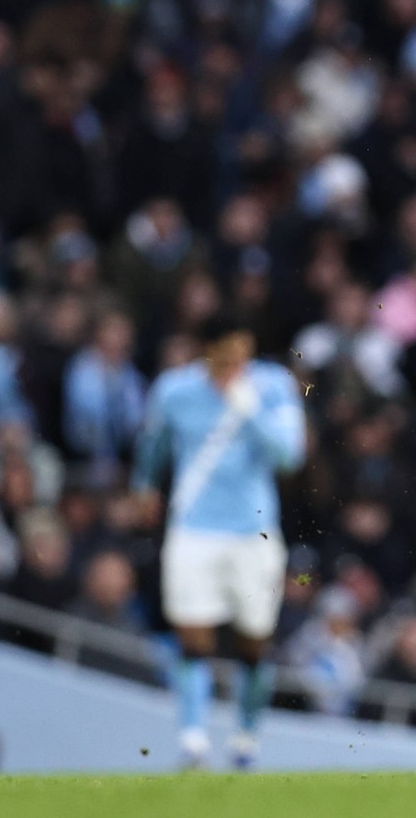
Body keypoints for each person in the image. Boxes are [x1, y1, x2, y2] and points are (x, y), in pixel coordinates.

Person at [132, 313, 307, 770]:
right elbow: (153, 443)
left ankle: (246, 736)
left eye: (243, 350)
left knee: (254, 643)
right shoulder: (174, 390)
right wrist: (144, 487)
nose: (236, 360)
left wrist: (248, 409)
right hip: (193, 528)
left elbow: (290, 456)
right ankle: (193, 741)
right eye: (227, 351)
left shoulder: (272, 386)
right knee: (193, 637)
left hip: (254, 532)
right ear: (206, 350)